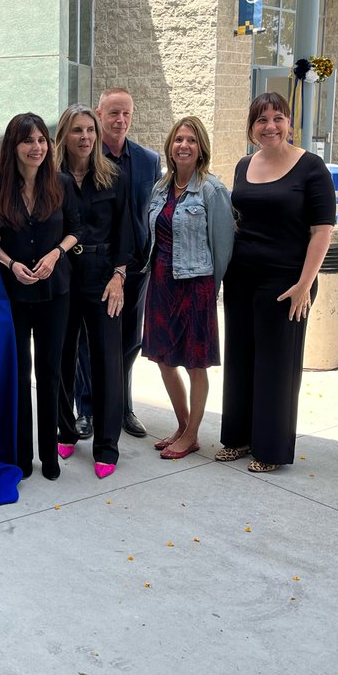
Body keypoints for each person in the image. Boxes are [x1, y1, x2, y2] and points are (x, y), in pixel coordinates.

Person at [219, 93, 335, 472]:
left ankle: (270, 450)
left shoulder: (311, 168)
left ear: (289, 123)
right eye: (261, 120)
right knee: (240, 358)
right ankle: (237, 439)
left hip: (286, 282)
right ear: (251, 128)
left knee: (276, 364)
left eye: (277, 118)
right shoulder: (243, 165)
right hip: (241, 277)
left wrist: (305, 284)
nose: (270, 126)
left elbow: (322, 231)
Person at [0, 112, 80, 480]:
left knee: (51, 370)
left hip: (55, 292)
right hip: (14, 293)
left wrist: (56, 253)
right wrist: (10, 264)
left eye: (42, 140)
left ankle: (50, 456)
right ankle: (23, 456)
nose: (37, 147)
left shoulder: (62, 184)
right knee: (19, 373)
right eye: (29, 141)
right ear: (14, 146)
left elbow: (77, 229)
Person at [141, 116, 233, 460]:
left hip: (196, 287)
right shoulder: (160, 188)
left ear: (201, 149)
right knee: (164, 360)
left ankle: (192, 433)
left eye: (191, 140)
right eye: (179, 139)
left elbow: (222, 246)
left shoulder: (212, 189)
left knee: (195, 364)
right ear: (170, 145)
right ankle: (182, 426)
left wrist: (211, 288)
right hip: (161, 282)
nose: (184, 145)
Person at [53, 105, 130, 479]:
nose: (85, 137)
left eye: (90, 131)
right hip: (65, 277)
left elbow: (126, 232)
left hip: (103, 277)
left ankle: (107, 445)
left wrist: (119, 275)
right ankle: (65, 429)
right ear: (64, 136)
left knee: (106, 362)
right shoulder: (51, 179)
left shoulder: (114, 176)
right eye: (77, 130)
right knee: (63, 357)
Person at [79, 87, 160, 439]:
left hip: (136, 268)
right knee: (88, 342)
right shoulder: (84, 156)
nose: (120, 120)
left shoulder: (148, 160)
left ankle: (123, 406)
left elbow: (152, 211)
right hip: (94, 268)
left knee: (129, 341)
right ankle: (86, 410)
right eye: (113, 112)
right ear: (99, 114)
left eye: (126, 113)